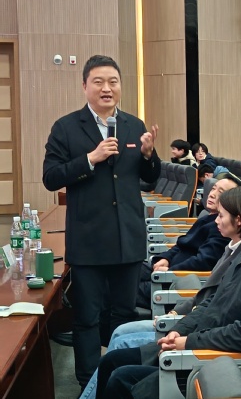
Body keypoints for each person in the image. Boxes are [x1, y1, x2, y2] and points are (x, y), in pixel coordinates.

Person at [96, 192, 241, 399]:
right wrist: (179, 330)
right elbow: (213, 299)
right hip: (200, 339)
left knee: (120, 379)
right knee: (111, 362)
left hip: (210, 360)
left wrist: (188, 342)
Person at [42, 55, 161, 389]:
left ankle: (115, 384)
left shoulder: (134, 125)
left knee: (124, 316)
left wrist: (150, 156)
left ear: (120, 86)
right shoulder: (66, 127)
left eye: (113, 82)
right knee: (86, 318)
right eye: (98, 82)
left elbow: (149, 179)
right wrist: (90, 159)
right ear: (85, 86)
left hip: (127, 239)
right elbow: (51, 177)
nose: (107, 88)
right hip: (88, 240)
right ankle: (88, 385)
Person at [79, 187, 241, 399]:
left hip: (197, 340)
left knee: (119, 351)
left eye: (221, 215)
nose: (216, 220)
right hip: (188, 322)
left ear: (238, 220)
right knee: (116, 341)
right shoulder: (232, 246)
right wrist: (177, 317)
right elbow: (209, 298)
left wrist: (182, 332)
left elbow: (227, 316)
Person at [137, 175, 241, 308]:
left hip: (172, 281)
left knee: (121, 286)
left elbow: (203, 261)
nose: (212, 194)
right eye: (213, 188)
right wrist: (166, 258)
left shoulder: (222, 228)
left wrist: (170, 271)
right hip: (168, 269)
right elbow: (182, 244)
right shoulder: (207, 218)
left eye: (220, 192)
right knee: (124, 268)